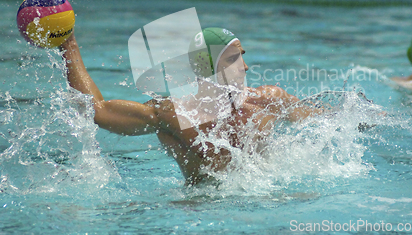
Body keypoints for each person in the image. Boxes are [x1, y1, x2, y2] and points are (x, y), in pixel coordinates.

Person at [59, 27, 326, 185]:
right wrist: (68, 45)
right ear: (206, 68)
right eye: (232, 59)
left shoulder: (268, 100)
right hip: (204, 210)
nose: (244, 66)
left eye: (242, 57)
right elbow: (98, 111)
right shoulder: (174, 114)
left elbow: (325, 121)